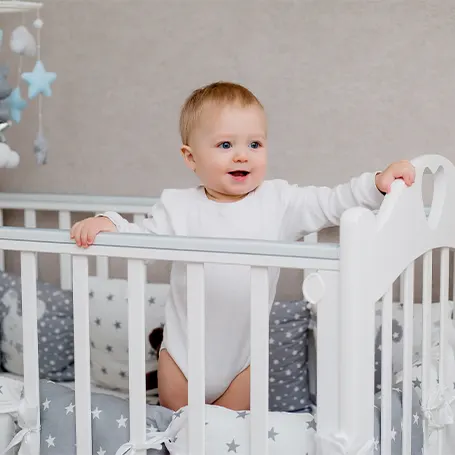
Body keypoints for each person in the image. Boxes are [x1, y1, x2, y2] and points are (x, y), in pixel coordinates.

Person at [70, 81, 416, 412]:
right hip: (181, 359)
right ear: (191, 158)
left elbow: (331, 202)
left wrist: (376, 185)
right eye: (225, 145)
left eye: (254, 145)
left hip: (242, 364)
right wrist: (109, 223)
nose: (242, 156)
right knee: (179, 435)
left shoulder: (279, 203)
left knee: (229, 437)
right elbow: (140, 240)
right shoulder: (178, 207)